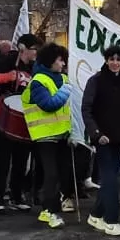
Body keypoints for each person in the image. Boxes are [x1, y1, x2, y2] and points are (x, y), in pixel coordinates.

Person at [80, 44, 120, 236]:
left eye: (118, 59)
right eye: (111, 59)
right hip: (102, 140)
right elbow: (86, 109)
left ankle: (95, 214)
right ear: (106, 60)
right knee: (110, 179)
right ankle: (111, 220)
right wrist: (96, 133)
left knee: (110, 178)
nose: (115, 63)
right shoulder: (96, 81)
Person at [22, 43, 75, 229]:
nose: (63, 64)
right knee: (51, 175)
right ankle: (51, 211)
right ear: (51, 61)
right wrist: (67, 90)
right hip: (44, 136)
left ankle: (49, 209)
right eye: (60, 60)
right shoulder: (38, 81)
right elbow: (48, 104)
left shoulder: (62, 78)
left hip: (61, 134)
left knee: (60, 174)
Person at [0, 35, 37, 213]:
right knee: (3, 159)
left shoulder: (37, 67)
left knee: (21, 160)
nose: (36, 53)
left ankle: (16, 194)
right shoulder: (8, 61)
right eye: (33, 49)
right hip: (3, 116)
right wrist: (8, 77)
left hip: (25, 117)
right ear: (23, 49)